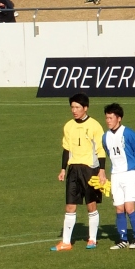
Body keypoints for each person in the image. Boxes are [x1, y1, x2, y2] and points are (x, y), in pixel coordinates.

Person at [51, 94, 106, 252]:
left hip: (90, 169)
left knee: (91, 205)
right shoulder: (68, 126)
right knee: (70, 206)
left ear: (85, 108)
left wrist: (101, 170)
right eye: (72, 107)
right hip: (73, 170)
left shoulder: (95, 125)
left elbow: (100, 149)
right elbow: (66, 148)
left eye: (77, 107)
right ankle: (66, 242)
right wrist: (63, 169)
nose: (74, 111)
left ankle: (93, 239)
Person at [102, 103, 135, 249]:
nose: (108, 121)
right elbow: (109, 154)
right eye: (107, 118)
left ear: (119, 118)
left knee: (129, 208)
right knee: (119, 208)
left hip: (129, 175)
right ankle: (123, 240)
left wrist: (133, 166)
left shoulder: (129, 134)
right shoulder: (105, 137)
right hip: (116, 176)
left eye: (111, 118)